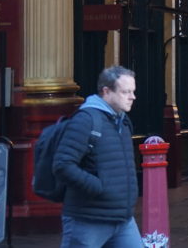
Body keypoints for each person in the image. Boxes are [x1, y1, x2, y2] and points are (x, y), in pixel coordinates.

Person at [53, 65, 140, 248]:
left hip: (122, 219)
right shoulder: (86, 120)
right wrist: (99, 187)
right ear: (106, 91)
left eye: (133, 91)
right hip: (87, 219)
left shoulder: (123, 122)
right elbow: (63, 164)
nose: (132, 97)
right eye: (126, 92)